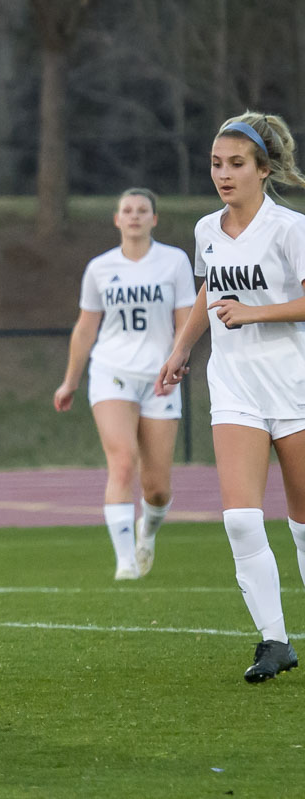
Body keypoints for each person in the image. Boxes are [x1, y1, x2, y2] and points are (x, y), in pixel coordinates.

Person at [158, 111, 305, 684]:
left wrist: (256, 313)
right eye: (217, 163)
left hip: (294, 385)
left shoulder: (291, 229)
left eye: (236, 164)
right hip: (235, 386)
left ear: (263, 170)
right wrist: (180, 349)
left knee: (301, 528)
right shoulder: (206, 230)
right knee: (242, 520)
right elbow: (210, 291)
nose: (223, 174)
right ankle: (274, 641)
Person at [53, 188, 195, 580]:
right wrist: (70, 381)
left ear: (154, 218)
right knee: (121, 462)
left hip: (159, 379)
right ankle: (125, 562)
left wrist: (176, 363)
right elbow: (86, 328)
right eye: (127, 210)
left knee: (157, 489)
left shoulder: (174, 262)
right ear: (116, 219)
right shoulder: (100, 267)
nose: (134, 216)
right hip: (111, 372)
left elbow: (185, 320)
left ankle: (146, 531)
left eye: (142, 210)